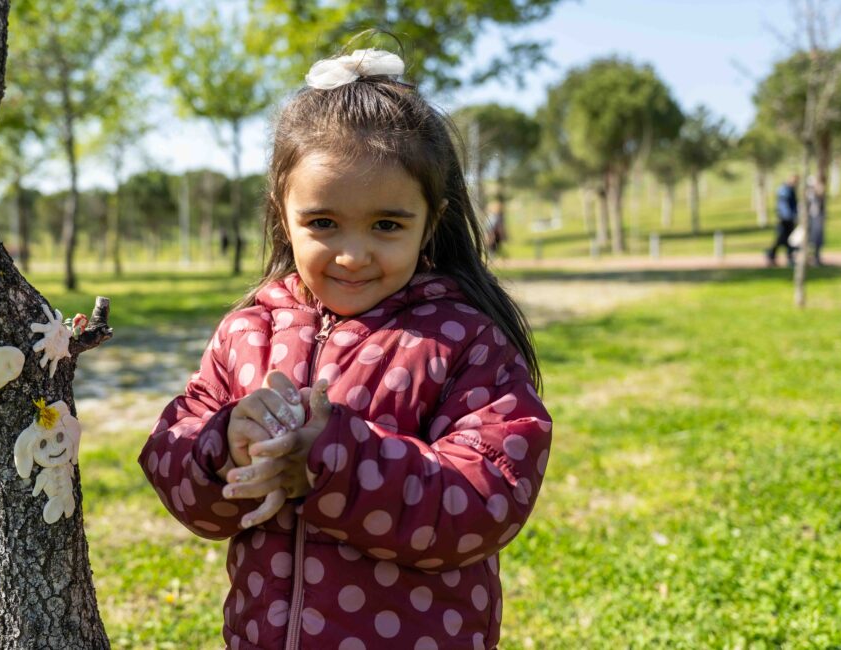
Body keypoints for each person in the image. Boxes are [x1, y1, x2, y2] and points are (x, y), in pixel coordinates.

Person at [139, 48, 552, 649]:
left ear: (430, 222)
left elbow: (488, 496)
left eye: (386, 225)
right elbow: (174, 462)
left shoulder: (464, 341)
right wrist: (224, 446)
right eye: (324, 223)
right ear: (284, 215)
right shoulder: (248, 331)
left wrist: (333, 462)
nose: (353, 254)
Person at [767, 174, 799, 266]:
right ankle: (772, 254)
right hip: (785, 219)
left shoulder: (790, 190)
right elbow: (784, 205)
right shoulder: (784, 190)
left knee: (788, 239)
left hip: (789, 218)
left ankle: (788, 256)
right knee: (782, 238)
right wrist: (789, 216)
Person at [806, 178, 827, 266]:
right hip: (811, 219)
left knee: (818, 239)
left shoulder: (818, 195)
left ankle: (816, 257)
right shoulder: (809, 195)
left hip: (817, 219)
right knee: (810, 240)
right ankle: (810, 258)